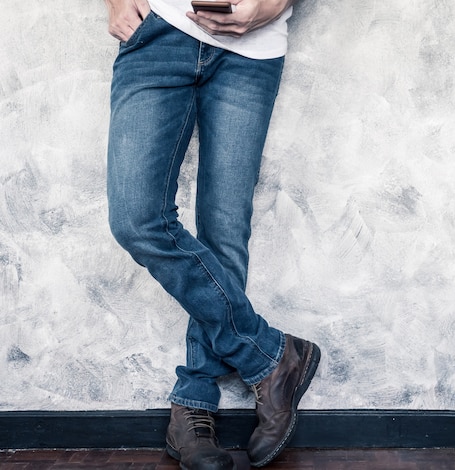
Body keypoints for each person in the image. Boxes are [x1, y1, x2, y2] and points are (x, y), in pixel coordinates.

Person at [103, 0, 321, 468]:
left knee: (224, 232)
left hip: (252, 52)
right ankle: (271, 355)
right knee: (137, 219)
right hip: (158, 34)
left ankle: (193, 408)